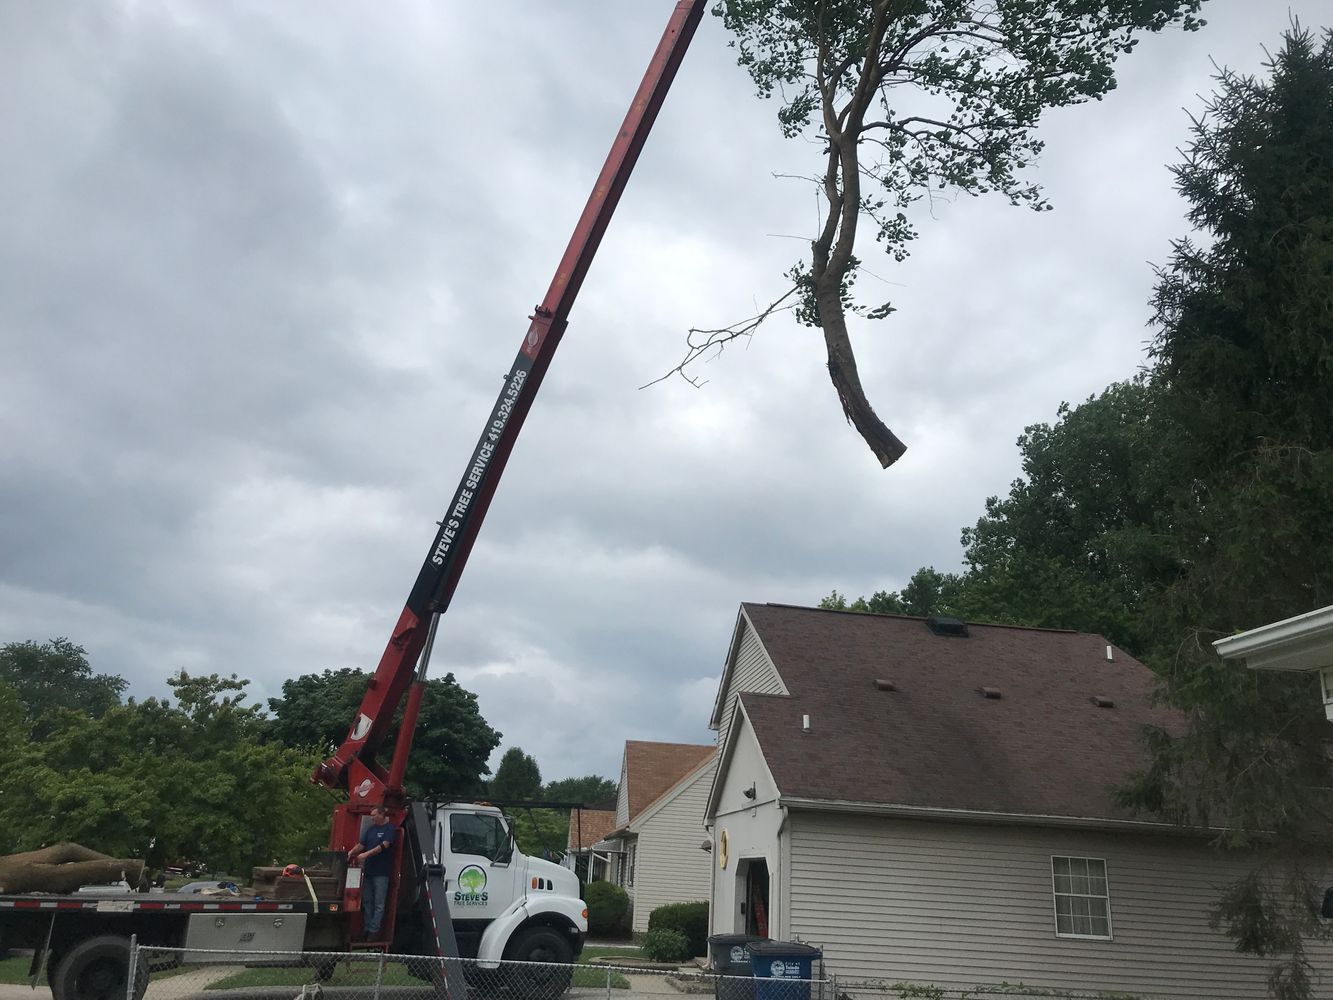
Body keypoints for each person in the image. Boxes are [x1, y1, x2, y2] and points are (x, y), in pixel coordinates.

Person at [347, 804, 396, 939]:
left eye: (374, 815)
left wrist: (365, 855)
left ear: (381, 815)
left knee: (379, 903)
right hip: (368, 872)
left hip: (381, 873)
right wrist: (351, 852)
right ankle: (367, 928)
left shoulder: (389, 829)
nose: (372, 818)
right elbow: (361, 845)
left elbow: (384, 845)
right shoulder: (370, 830)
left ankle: (374, 931)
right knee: (368, 901)